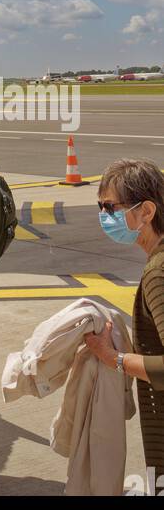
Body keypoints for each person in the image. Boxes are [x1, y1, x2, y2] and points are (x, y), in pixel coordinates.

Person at [83, 159, 164, 492]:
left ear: (146, 211)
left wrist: (112, 358)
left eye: (110, 206)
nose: (104, 215)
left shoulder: (158, 274)